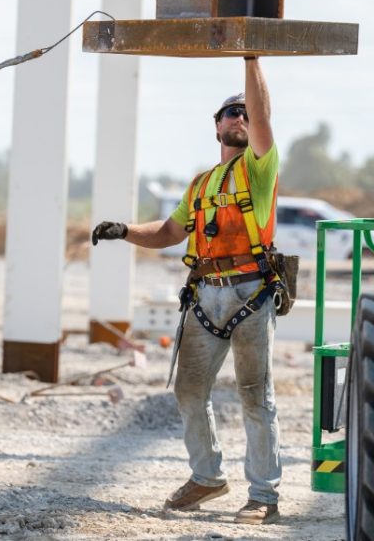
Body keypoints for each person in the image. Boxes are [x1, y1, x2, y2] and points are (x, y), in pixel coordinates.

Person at [90, 56, 283, 525]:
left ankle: (264, 496)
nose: (239, 117)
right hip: (205, 295)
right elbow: (170, 231)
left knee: (255, 395)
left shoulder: (258, 169)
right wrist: (125, 230)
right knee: (189, 390)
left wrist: (251, 58)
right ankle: (207, 477)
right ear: (216, 127)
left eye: (244, 112)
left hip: (249, 293)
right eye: (230, 113)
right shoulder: (200, 185)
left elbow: (261, 114)